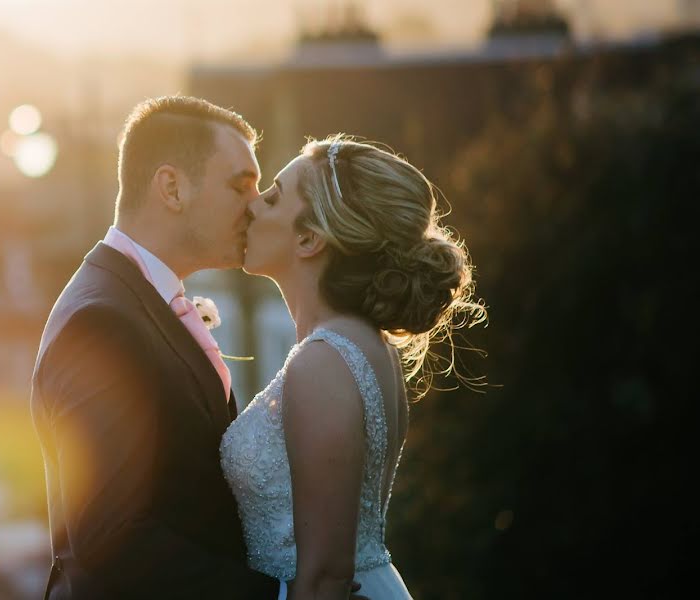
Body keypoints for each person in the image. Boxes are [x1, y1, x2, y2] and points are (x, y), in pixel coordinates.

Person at [30, 97, 368, 600]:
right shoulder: (101, 321)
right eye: (239, 185)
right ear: (172, 188)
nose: (254, 205)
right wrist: (277, 597)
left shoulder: (137, 299)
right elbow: (112, 537)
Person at [221, 136, 485, 600]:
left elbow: (325, 574)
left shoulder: (323, 362)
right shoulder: (360, 344)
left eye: (274, 196)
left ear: (309, 238)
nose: (252, 206)